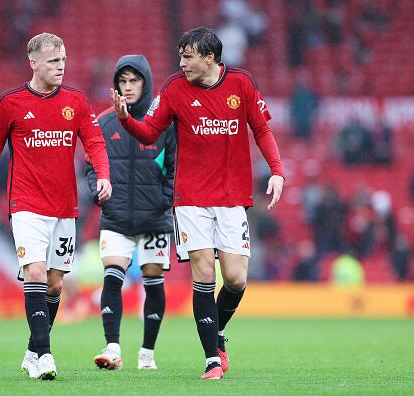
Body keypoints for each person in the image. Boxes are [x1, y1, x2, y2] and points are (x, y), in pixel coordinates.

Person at [110, 27, 284, 380]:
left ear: (209, 57)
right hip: (190, 199)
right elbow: (149, 132)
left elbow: (262, 129)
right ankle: (211, 360)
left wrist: (277, 170)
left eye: (188, 56)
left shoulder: (241, 84)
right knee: (204, 274)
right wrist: (127, 119)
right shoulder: (174, 88)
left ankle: (216, 332)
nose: (181, 63)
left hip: (233, 197)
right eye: (180, 55)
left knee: (235, 278)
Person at [0, 32, 111, 381]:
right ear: (33, 63)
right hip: (26, 205)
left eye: (63, 61)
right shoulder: (11, 103)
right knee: (35, 273)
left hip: (65, 209)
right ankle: (45, 355)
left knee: (56, 285)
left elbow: (94, 142)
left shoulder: (75, 102)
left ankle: (33, 349)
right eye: (52, 62)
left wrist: (103, 175)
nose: (60, 67)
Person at [85, 55, 176, 371]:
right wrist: (98, 190)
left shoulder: (164, 122)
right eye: (122, 82)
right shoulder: (104, 121)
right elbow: (91, 166)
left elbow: (177, 167)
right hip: (117, 216)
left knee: (153, 281)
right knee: (112, 277)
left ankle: (147, 353)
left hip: (155, 218)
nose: (127, 87)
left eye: (133, 81)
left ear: (146, 82)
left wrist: (165, 200)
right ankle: (112, 348)